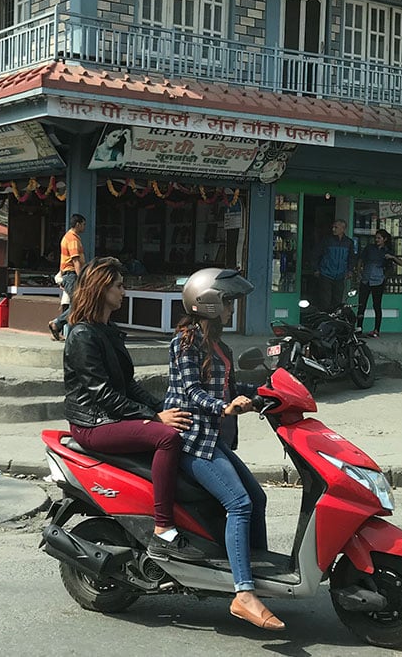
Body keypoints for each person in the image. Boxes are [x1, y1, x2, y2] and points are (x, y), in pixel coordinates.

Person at [166, 268, 282, 631]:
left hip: (214, 440)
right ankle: (243, 593)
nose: (232, 309)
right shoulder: (184, 343)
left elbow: (229, 385)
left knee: (258, 498)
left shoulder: (220, 344)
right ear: (209, 304)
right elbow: (192, 393)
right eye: (228, 302)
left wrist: (271, 385)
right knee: (239, 503)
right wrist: (224, 408)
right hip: (193, 442)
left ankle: (259, 572)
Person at [62, 257, 200, 561]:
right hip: (93, 424)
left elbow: (128, 384)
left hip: (110, 415)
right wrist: (154, 418)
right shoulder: (83, 335)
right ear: (101, 289)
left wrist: (163, 406)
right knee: (167, 438)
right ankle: (164, 529)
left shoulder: (107, 329)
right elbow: (103, 394)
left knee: (178, 427)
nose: (124, 292)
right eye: (119, 286)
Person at [355, 229, 402, 338]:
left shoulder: (387, 251)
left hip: (378, 281)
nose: (377, 240)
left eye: (379, 238)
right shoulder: (369, 248)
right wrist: (359, 272)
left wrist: (392, 258)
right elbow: (360, 260)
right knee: (361, 304)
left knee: (377, 305)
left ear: (384, 239)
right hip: (366, 279)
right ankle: (359, 328)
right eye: (376, 238)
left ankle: (376, 329)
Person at [48, 213, 87, 341]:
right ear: (78, 224)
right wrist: (81, 277)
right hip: (71, 275)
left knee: (76, 304)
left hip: (67, 275)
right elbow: (75, 260)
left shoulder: (68, 237)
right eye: (83, 224)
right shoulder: (73, 239)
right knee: (78, 304)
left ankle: (67, 332)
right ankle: (58, 324)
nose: (84, 227)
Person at [313, 219, 355, 311]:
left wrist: (350, 270)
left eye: (336, 227)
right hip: (326, 274)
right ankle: (324, 321)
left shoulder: (349, 242)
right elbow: (316, 254)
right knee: (325, 301)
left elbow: (351, 258)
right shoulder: (327, 240)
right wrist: (316, 269)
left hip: (340, 276)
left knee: (337, 301)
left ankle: (335, 322)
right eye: (333, 227)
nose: (333, 229)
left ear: (343, 229)